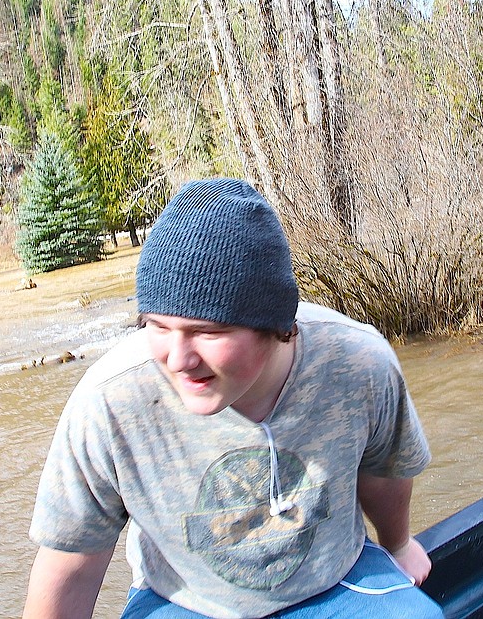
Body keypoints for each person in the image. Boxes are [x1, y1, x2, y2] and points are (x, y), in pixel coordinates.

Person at [22, 177, 442, 618]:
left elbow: (384, 472)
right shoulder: (108, 402)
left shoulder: (359, 362)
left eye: (207, 331)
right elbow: (71, 563)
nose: (179, 359)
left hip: (336, 582)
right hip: (182, 600)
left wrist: (398, 544)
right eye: (158, 326)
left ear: (276, 326)